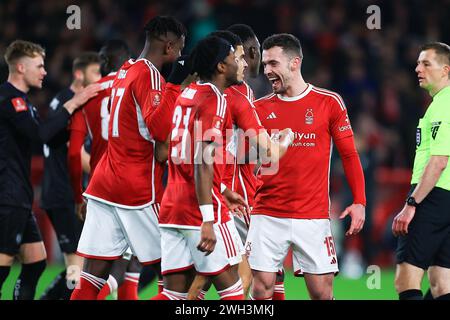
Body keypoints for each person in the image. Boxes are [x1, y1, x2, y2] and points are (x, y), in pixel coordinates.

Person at [70, 16, 186, 300]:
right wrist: (174, 86)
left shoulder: (126, 69)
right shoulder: (149, 75)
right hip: (135, 188)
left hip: (104, 182)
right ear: (169, 46)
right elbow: (160, 130)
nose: (181, 56)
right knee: (182, 269)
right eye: (180, 49)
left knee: (91, 277)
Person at [248, 33, 366, 300]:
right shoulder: (258, 109)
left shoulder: (329, 102)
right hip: (266, 212)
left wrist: (359, 200)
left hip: (312, 215)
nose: (267, 71)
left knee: (321, 293)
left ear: (294, 63)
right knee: (261, 287)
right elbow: (244, 160)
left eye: (273, 64)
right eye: (265, 64)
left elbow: (349, 155)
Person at [0, 40, 100, 299]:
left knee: (35, 264)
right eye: (39, 66)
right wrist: (73, 104)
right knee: (2, 268)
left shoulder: (25, 102)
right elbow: (40, 134)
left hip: (20, 195)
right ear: (21, 67)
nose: (45, 72)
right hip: (7, 195)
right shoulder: (9, 100)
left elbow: (51, 138)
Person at [39, 51, 101, 300]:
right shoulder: (69, 103)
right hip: (63, 192)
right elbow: (73, 152)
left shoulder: (63, 101)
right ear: (79, 74)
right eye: (95, 72)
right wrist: (107, 174)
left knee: (77, 265)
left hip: (62, 191)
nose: (100, 78)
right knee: (77, 265)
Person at [392, 42, 450, 301]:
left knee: (406, 279)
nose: (418, 68)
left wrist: (412, 203)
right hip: (446, 199)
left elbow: (438, 161)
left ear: (445, 69)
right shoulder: (439, 103)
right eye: (418, 63)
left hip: (432, 196)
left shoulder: (443, 106)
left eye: (426, 63)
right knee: (441, 283)